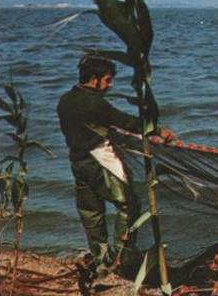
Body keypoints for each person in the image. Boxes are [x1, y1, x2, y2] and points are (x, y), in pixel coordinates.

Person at [56, 54, 173, 269]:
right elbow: (125, 121)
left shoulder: (65, 100)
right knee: (130, 205)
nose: (109, 85)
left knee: (91, 212)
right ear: (94, 79)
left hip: (77, 162)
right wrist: (156, 130)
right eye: (107, 80)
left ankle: (100, 258)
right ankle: (122, 256)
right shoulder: (94, 103)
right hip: (98, 161)